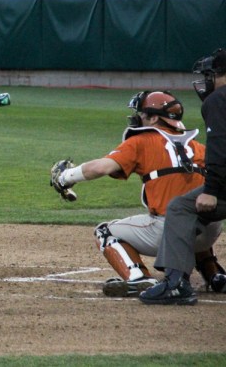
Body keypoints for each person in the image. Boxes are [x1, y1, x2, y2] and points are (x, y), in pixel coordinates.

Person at [51, 90, 224, 297]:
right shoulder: (199, 147)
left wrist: (65, 177)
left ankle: (138, 278)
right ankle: (215, 275)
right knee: (193, 219)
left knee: (105, 232)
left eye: (142, 114)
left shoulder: (142, 141)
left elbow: (99, 168)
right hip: (211, 230)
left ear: (153, 118)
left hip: (168, 232)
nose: (138, 118)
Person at [140, 48, 226, 305]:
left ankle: (176, 283)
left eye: (210, 74)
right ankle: (209, 270)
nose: (207, 80)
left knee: (180, 207)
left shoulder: (218, 100)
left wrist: (210, 189)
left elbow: (220, 148)